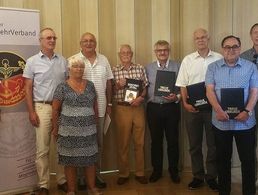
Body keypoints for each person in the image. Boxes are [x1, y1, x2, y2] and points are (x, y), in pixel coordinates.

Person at [205, 35, 258, 195]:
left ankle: (248, 192)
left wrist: (247, 111)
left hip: (246, 123)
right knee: (223, 161)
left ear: (240, 48)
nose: (231, 50)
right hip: (221, 122)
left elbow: (255, 91)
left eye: (235, 46)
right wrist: (219, 110)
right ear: (223, 49)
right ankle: (224, 192)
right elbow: (209, 91)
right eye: (227, 47)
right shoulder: (212, 67)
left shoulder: (250, 67)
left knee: (248, 161)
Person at [175, 28, 222, 190]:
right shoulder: (188, 60)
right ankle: (198, 176)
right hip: (192, 109)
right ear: (194, 41)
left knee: (213, 145)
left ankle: (211, 176)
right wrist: (185, 104)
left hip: (213, 109)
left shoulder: (219, 58)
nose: (200, 40)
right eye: (197, 38)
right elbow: (182, 84)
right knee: (194, 145)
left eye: (203, 37)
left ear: (208, 39)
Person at [23, 28, 67, 195]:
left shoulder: (63, 61)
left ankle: (62, 180)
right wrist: (31, 112)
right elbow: (27, 89)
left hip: (62, 109)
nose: (52, 40)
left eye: (54, 37)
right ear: (40, 40)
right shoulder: (32, 62)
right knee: (42, 149)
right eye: (48, 38)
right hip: (41, 107)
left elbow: (67, 86)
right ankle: (44, 185)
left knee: (62, 147)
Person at [52, 57, 103, 195]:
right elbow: (55, 109)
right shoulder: (62, 86)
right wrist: (55, 128)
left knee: (90, 160)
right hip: (68, 131)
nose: (78, 69)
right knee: (70, 162)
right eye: (75, 66)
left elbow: (95, 106)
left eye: (81, 66)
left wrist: (96, 126)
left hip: (89, 130)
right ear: (69, 69)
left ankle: (92, 188)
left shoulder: (91, 85)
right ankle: (71, 190)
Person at [69, 32, 113, 189]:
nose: (89, 43)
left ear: (96, 43)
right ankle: (81, 178)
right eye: (85, 41)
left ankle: (96, 176)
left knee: (98, 145)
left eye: (92, 41)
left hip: (100, 109)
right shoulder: (74, 60)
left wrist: (109, 105)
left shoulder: (104, 59)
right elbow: (69, 83)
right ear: (80, 43)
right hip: (80, 112)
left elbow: (109, 83)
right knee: (81, 145)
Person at [146, 40, 181, 183]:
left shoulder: (177, 66)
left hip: (171, 108)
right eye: (159, 50)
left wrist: (177, 97)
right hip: (153, 108)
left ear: (169, 51)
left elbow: (183, 87)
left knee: (173, 141)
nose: (162, 52)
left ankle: (174, 171)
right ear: (155, 52)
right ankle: (157, 171)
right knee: (155, 141)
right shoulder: (148, 68)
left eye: (165, 50)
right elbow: (143, 87)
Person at [112, 44, 148, 185]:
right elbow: (111, 91)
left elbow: (145, 88)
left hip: (138, 108)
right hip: (122, 109)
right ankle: (123, 173)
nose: (126, 54)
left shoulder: (140, 68)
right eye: (123, 52)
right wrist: (118, 86)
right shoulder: (114, 70)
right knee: (123, 143)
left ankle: (140, 173)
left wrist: (141, 98)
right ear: (119, 54)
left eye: (128, 52)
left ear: (132, 54)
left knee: (139, 142)